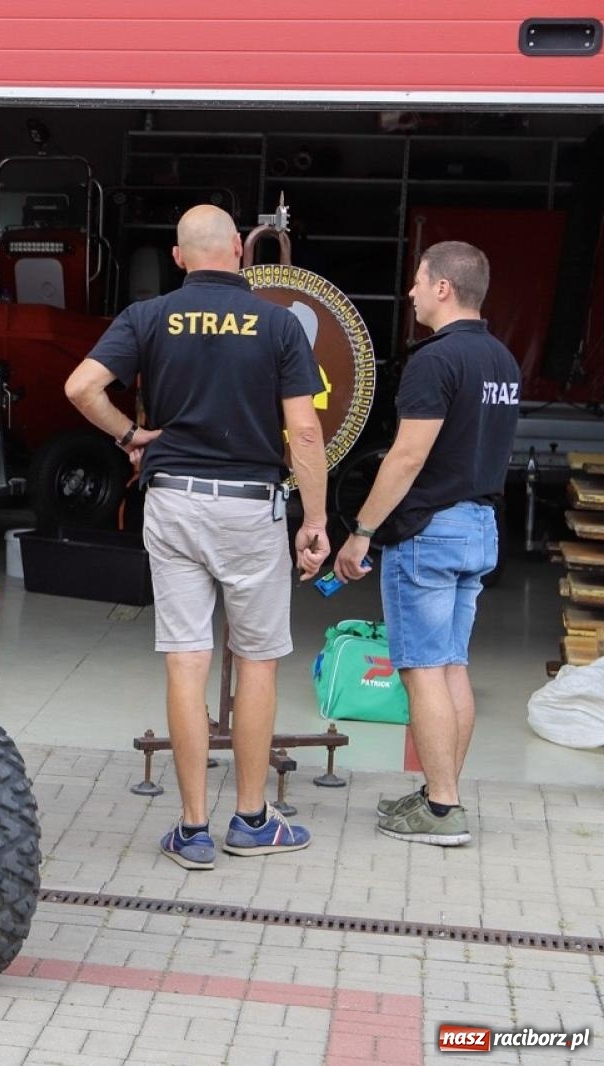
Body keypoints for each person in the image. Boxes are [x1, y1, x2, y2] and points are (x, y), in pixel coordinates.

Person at [64, 204, 330, 871]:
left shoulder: (148, 317)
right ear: (240, 250)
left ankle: (190, 829)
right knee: (257, 659)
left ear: (179, 258)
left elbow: (81, 387)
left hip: (174, 502)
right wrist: (316, 520)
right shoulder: (276, 324)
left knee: (187, 658)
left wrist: (127, 434)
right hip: (249, 508)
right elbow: (303, 433)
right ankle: (250, 818)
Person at [334, 241, 520, 848]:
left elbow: (408, 455)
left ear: (443, 288)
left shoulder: (435, 361)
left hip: (428, 531)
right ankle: (445, 794)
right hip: (479, 528)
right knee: (451, 665)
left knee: (420, 670)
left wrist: (360, 532)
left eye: (417, 279)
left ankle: (440, 810)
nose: (410, 290)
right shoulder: (501, 360)